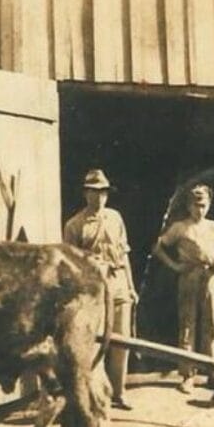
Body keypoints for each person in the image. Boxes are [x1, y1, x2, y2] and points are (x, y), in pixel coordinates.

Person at [63, 169, 137, 411]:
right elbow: (70, 265)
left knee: (122, 340)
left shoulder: (115, 218)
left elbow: (124, 254)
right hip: (93, 288)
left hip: (118, 283)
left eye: (103, 193)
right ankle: (97, 395)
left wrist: (131, 287)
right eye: (94, 192)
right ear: (85, 193)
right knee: (97, 343)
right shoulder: (74, 225)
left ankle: (119, 392)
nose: (99, 198)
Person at [153, 184, 214, 396]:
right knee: (187, 325)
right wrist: (175, 266)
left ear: (209, 205)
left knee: (211, 324)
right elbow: (157, 247)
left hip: (210, 276)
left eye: (204, 205)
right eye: (196, 205)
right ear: (188, 205)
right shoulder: (180, 227)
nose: (200, 209)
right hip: (189, 277)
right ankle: (187, 375)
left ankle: (212, 372)